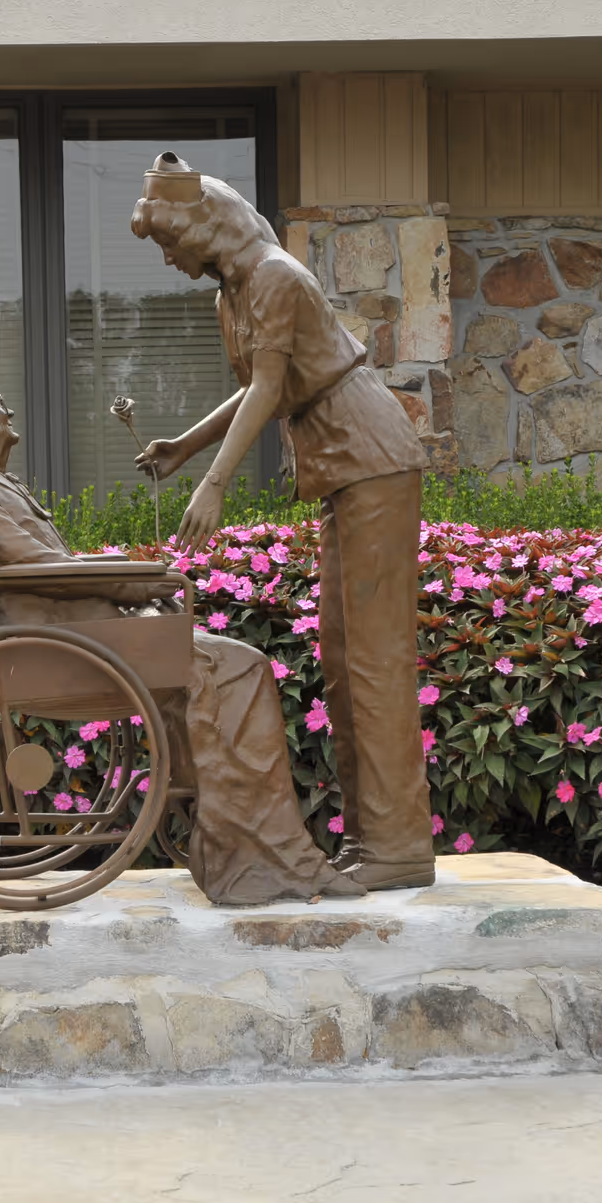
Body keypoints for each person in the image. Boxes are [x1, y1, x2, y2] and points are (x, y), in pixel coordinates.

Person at [0, 361, 363, 904]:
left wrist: (124, 575)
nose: (6, 410)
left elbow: (40, 564)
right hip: (63, 650)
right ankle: (255, 855)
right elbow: (37, 567)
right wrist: (129, 579)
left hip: (65, 641)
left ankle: (245, 842)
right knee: (239, 665)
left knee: (215, 661)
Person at [130, 152, 435, 892]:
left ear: (205, 226)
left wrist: (215, 482)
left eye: (172, 244)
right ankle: (373, 840)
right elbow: (254, 392)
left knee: (374, 652)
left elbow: (272, 388)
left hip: (372, 456)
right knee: (341, 656)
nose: (170, 260)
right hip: (341, 470)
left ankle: (398, 842)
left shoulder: (274, 276)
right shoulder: (233, 293)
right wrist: (185, 446)